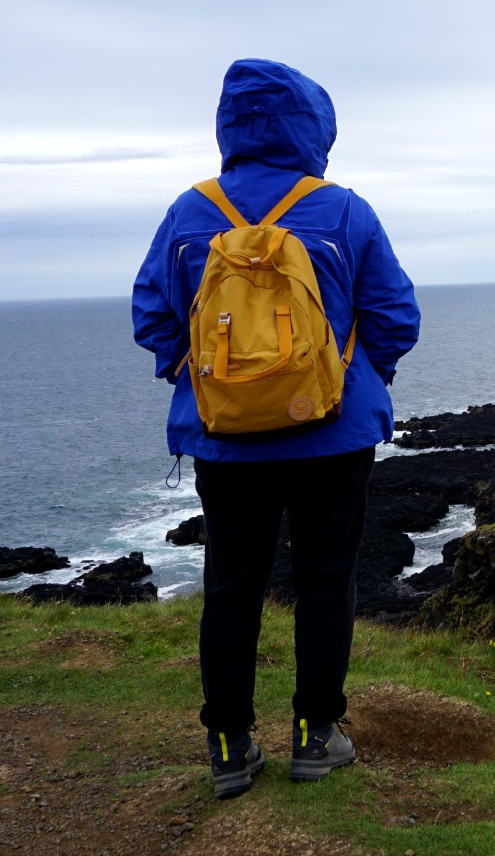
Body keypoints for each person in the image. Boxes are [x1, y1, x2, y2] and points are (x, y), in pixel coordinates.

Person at [132, 58, 419, 799]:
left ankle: (229, 744)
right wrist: (353, 376)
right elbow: (396, 319)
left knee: (231, 585)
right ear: (312, 125)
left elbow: (150, 317)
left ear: (230, 123)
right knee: (327, 583)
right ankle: (316, 736)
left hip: (225, 438)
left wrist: (200, 378)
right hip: (332, 434)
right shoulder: (342, 210)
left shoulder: (191, 212)